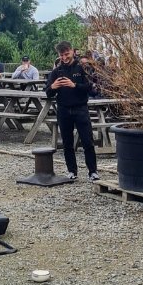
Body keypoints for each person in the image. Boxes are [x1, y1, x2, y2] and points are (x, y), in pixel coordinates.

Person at [45, 42, 99, 181]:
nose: (64, 58)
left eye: (66, 54)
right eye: (61, 55)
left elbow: (92, 90)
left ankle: (93, 171)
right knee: (67, 143)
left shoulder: (82, 68)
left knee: (87, 141)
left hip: (80, 108)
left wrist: (74, 85)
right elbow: (48, 93)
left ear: (72, 52)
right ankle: (71, 171)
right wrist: (53, 86)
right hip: (63, 109)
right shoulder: (56, 72)